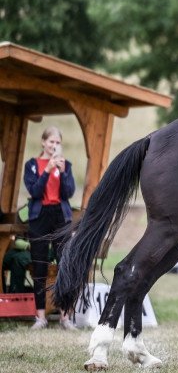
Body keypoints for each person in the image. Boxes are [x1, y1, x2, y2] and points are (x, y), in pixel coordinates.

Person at [23, 126, 76, 330]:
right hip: (39, 217)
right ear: (43, 143)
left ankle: (65, 316)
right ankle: (41, 317)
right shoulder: (32, 165)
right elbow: (35, 191)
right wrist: (46, 170)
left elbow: (68, 192)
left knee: (64, 264)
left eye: (57, 142)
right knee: (40, 266)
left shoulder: (66, 165)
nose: (54, 146)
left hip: (59, 217)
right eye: (51, 142)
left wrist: (62, 172)